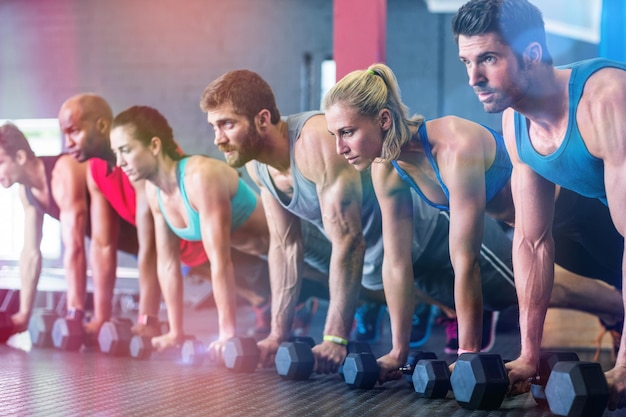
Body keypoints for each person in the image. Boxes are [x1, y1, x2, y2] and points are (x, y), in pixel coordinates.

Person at [199, 69, 519, 380]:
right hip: (398, 254)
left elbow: (353, 241)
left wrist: (336, 338)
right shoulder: (265, 168)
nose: (339, 148)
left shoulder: (316, 143)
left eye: (226, 124)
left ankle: (484, 318)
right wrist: (397, 353)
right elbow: (291, 246)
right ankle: (464, 314)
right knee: (431, 291)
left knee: (537, 291)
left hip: (460, 229)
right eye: (214, 126)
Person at [323, 62, 624, 379]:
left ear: (383, 119)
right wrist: (398, 352)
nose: (340, 148)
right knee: (616, 290)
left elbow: (466, 260)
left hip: (581, 214)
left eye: (347, 132)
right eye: (334, 135)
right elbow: (396, 263)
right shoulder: (386, 169)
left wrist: (468, 355)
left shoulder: (454, 147)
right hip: (546, 235)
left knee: (619, 285)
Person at [452, 0, 626, 409]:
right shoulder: (516, 125)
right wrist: (529, 356)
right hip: (609, 224)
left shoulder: (605, 101)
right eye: (466, 61)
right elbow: (532, 242)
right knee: (563, 233)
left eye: (488, 59)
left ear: (531, 54)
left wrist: (623, 368)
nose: (474, 78)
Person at [109, 105, 281, 359]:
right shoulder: (154, 192)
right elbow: (168, 265)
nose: (119, 162)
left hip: (299, 245)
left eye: (126, 150)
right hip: (269, 259)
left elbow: (220, 262)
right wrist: (175, 331)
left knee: (361, 287)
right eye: (116, 153)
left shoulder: (199, 176)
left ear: (154, 146)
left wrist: (227, 334)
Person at [0, 122, 140, 343]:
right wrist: (23, 315)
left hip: (137, 229)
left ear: (19, 157)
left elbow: (76, 248)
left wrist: (75, 314)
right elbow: (30, 253)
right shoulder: (26, 193)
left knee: (200, 266)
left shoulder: (62, 171)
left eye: (0, 163)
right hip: (126, 243)